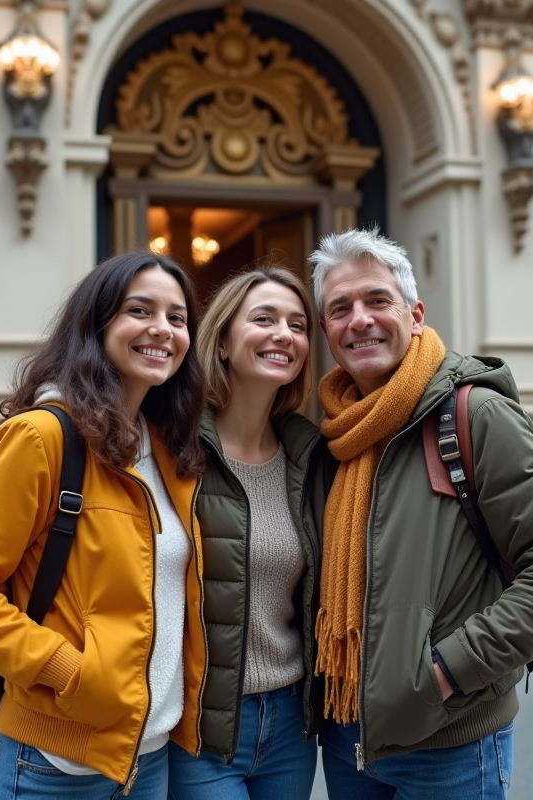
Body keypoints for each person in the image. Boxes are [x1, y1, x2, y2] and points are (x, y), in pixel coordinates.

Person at [306, 229, 533, 800]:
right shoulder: (331, 440)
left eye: (377, 301)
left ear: (415, 315)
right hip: (347, 739)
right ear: (326, 333)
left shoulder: (474, 414)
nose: (358, 319)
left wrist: (443, 675)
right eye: (340, 309)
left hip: (449, 744)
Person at [0, 252, 208, 800]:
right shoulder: (42, 438)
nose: (162, 330)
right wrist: (69, 673)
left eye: (178, 318)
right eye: (140, 310)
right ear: (96, 323)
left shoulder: (171, 448)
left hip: (147, 759)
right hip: (52, 765)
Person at [168, 268, 321, 800]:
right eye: (264, 319)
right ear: (224, 341)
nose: (285, 333)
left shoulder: (310, 457)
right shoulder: (172, 448)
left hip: (289, 723)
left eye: (298, 324)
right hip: (201, 725)